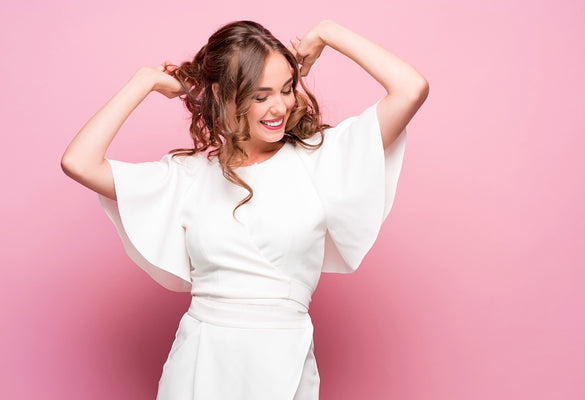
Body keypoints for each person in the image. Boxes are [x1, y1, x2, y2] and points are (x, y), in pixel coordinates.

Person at [61, 19, 428, 400]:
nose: (280, 107)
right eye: (260, 95)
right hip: (199, 366)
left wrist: (329, 33)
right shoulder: (188, 177)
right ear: (224, 96)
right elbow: (80, 162)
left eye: (286, 89)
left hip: (284, 362)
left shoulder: (320, 157)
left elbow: (411, 88)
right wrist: (144, 82)